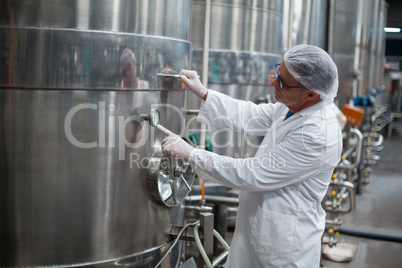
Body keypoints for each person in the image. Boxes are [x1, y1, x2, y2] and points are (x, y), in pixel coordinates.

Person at [157, 44, 342, 267]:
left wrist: (191, 154)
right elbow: (251, 114)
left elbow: (253, 173)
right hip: (260, 228)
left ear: (310, 94)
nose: (274, 82)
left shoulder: (317, 134)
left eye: (282, 82)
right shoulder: (292, 107)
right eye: (278, 73)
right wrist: (204, 93)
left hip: (285, 246)